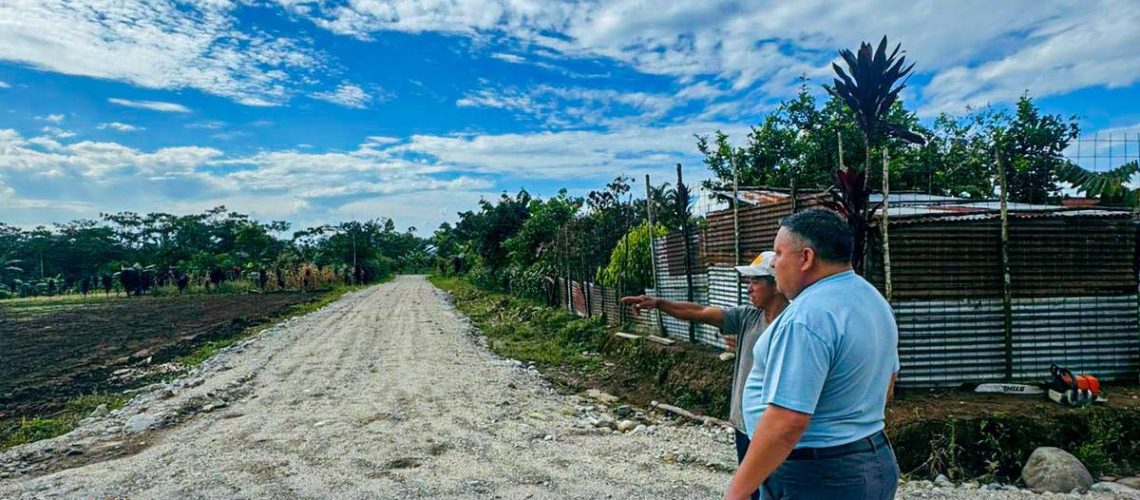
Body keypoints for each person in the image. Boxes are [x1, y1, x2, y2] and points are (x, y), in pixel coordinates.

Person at [724, 208, 900, 500]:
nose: (774, 263)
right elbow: (888, 384)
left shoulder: (807, 316)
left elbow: (786, 422)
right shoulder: (873, 300)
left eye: (778, 253)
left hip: (817, 475)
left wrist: (737, 493)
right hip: (870, 460)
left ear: (805, 258)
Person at [621, 251, 788, 500]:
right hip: (744, 425)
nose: (748, 288)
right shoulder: (748, 316)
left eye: (755, 281)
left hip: (772, 429)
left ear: (775, 285)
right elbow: (699, 311)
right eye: (748, 281)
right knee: (751, 491)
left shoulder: (792, 323)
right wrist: (659, 303)